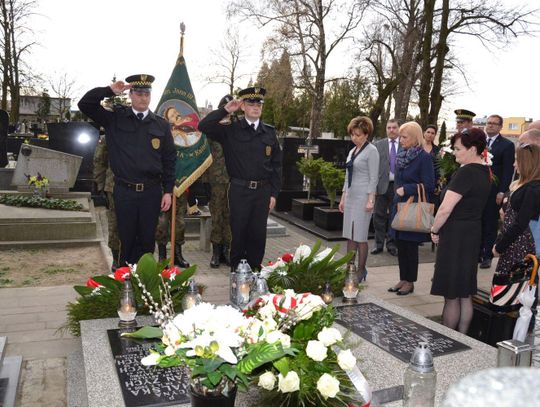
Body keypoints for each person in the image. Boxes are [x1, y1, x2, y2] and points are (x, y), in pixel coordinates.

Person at [78, 74, 176, 265]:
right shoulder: (115, 118)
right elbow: (86, 104)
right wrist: (109, 91)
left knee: (148, 241)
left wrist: (169, 191)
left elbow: (169, 159)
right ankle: (127, 284)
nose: (143, 97)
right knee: (127, 239)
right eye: (138, 93)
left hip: (151, 191)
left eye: (146, 94)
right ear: (130, 94)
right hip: (125, 191)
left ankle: (146, 283)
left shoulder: (161, 125)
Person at [198, 87, 282, 271]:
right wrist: (225, 110)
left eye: (259, 103)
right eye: (251, 103)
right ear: (242, 106)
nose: (256, 106)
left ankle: (255, 273)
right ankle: (237, 276)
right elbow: (203, 126)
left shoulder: (269, 132)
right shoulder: (231, 130)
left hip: (263, 192)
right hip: (239, 190)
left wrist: (274, 194)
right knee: (238, 234)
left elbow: (276, 166)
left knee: (258, 236)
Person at [430, 128, 492, 333]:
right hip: (472, 233)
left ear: (472, 149)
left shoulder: (466, 172)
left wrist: (434, 229)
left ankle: (449, 337)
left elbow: (446, 208)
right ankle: (464, 337)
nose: (454, 153)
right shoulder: (485, 171)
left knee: (451, 293)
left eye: (457, 149)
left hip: (455, 234)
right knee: (465, 292)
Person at [387, 122, 434, 296]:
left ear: (415, 137)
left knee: (411, 247)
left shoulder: (424, 157)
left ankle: (410, 282)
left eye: (404, 137)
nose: (401, 140)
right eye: (400, 136)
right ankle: (403, 278)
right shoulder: (402, 154)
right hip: (400, 206)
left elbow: (429, 185)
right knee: (401, 245)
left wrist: (407, 189)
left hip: (414, 208)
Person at [338, 116, 379, 281]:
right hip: (351, 197)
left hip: (364, 197)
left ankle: (361, 270)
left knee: (360, 236)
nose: (354, 138)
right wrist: (343, 197)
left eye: (358, 135)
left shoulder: (372, 151)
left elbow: (374, 178)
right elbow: (347, 177)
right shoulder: (351, 151)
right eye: (352, 134)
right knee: (350, 234)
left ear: (366, 134)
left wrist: (371, 199)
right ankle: (350, 268)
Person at [492, 144, 540, 264]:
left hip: (523, 247)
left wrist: (500, 246)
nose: (514, 164)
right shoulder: (525, 185)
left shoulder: (533, 189)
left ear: (527, 163)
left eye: (517, 160)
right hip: (516, 244)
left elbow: (520, 223)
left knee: (518, 281)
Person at [479, 114, 515, 269]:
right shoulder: (479, 143)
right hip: (477, 190)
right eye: (488, 123)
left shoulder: (506, 145)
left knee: (490, 223)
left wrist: (502, 192)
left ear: (500, 127)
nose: (490, 126)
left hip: (494, 192)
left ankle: (487, 255)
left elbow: (507, 171)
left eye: (494, 124)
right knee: (477, 222)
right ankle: (477, 253)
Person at [205, 95, 233, 268]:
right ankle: (215, 252)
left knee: (230, 217)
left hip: (233, 181)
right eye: (225, 108)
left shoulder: (235, 129)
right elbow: (204, 159)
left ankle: (227, 251)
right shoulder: (212, 131)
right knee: (216, 217)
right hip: (215, 182)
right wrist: (204, 183)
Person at [92, 132, 120, 271]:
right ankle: (116, 257)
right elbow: (99, 161)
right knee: (114, 223)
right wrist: (100, 186)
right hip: (113, 187)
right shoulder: (108, 137)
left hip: (136, 187)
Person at [372, 119, 400, 256]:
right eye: (389, 127)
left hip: (398, 186)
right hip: (381, 186)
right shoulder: (378, 145)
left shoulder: (404, 144)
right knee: (378, 215)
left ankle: (391, 244)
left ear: (399, 129)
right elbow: (373, 167)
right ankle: (378, 244)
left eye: (394, 127)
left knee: (394, 216)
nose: (391, 130)